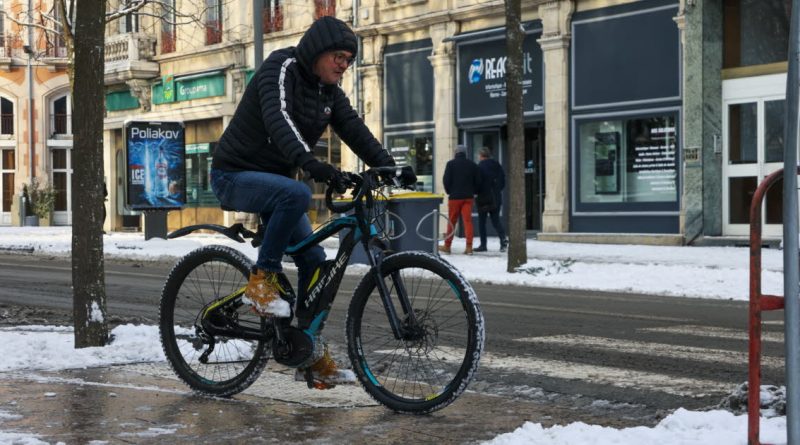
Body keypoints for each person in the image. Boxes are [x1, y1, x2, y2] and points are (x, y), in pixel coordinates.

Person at [210, 16, 414, 388]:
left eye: (349, 60)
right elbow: (279, 120)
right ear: (317, 51)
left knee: (315, 263)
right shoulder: (281, 67)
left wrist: (388, 166)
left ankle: (305, 352)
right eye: (338, 55)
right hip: (233, 175)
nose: (343, 64)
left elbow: (353, 128)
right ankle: (262, 281)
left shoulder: (328, 93)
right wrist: (311, 163)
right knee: (298, 192)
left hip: (277, 185)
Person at [439, 145, 481, 255]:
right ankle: (469, 247)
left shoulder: (450, 164)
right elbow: (478, 181)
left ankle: (447, 246)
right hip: (468, 197)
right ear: (465, 153)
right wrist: (473, 191)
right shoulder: (472, 165)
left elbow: (446, 180)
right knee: (468, 221)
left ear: (455, 153)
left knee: (452, 221)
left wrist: (449, 191)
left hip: (454, 198)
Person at [474, 147, 507, 252]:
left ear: (481, 156)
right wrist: (496, 190)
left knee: (482, 222)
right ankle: (503, 240)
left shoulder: (479, 167)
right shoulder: (497, 165)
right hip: (495, 197)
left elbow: (477, 182)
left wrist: (477, 192)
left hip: (483, 197)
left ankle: (483, 245)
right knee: (496, 220)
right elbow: (502, 181)